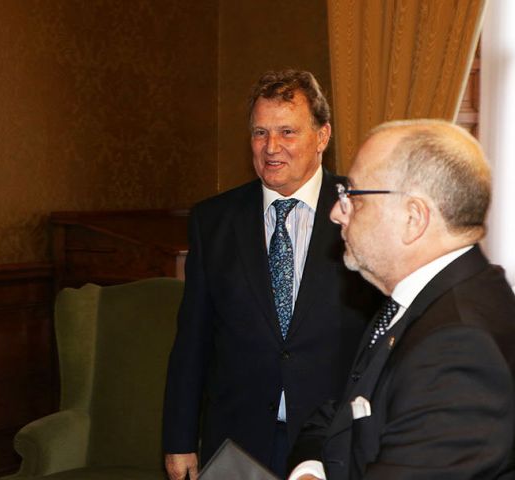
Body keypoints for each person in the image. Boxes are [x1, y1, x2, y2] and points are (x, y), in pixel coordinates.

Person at [162, 69, 379, 479]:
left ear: (322, 136)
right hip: (237, 441)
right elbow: (193, 338)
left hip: (335, 440)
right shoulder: (214, 220)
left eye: (287, 132)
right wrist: (179, 439)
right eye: (260, 133)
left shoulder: (364, 211)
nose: (271, 147)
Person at [288, 119, 515, 479]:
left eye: (353, 196)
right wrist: (311, 470)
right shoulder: (418, 299)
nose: (336, 212)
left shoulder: (459, 345)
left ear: (414, 217)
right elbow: (344, 415)